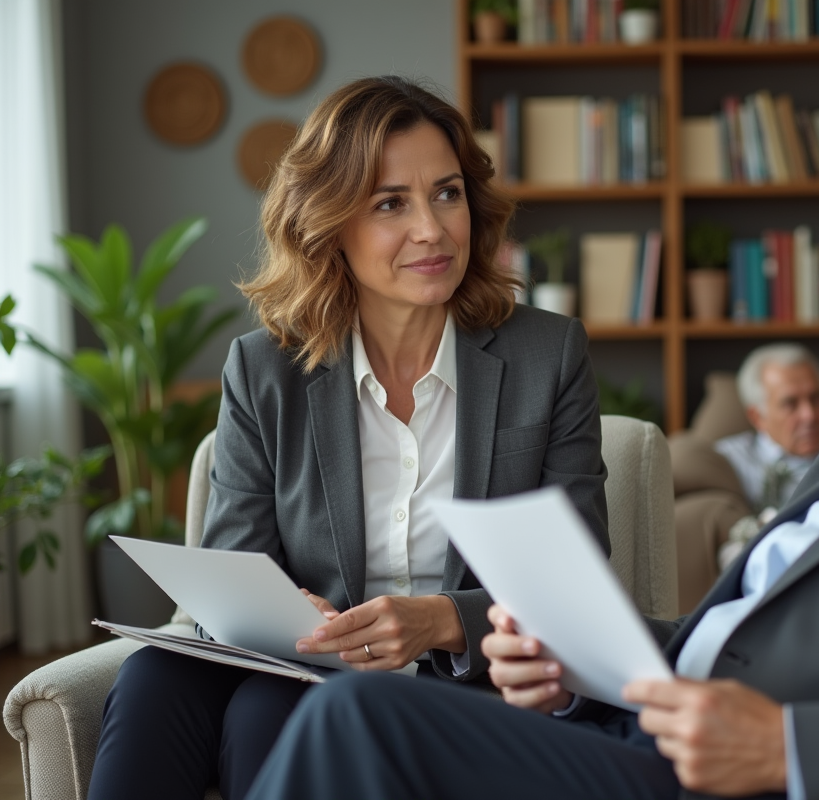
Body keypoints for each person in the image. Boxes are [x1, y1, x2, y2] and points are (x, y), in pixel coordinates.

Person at [246, 79, 819, 800]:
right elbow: (729, 644)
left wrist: (786, 747)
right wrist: (580, 666)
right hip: (645, 733)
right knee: (311, 709)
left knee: (356, 720)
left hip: (736, 779)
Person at [87, 76, 609, 800]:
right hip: (309, 661)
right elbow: (235, 559)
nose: (432, 228)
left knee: (274, 711)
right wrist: (298, 614)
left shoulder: (546, 357)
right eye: (391, 202)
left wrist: (438, 622)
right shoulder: (266, 368)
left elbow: (572, 581)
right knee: (159, 675)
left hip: (464, 685)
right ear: (329, 223)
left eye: (448, 193)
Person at [714, 343, 819, 515]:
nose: (809, 415)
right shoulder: (730, 461)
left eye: (815, 398)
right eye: (790, 403)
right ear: (757, 417)